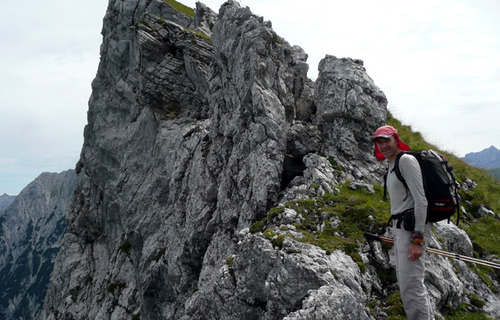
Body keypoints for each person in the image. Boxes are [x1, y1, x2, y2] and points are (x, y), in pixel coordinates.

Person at [373, 125, 434, 320]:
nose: (384, 146)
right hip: (400, 230)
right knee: (408, 285)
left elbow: (421, 200)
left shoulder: (406, 160)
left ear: (396, 140)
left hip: (412, 231)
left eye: (387, 141)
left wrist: (418, 239)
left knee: (412, 287)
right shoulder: (391, 165)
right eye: (379, 142)